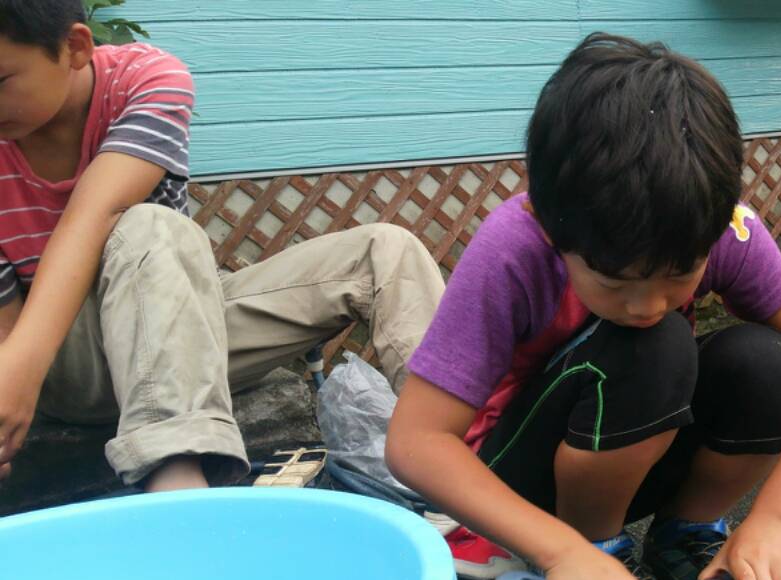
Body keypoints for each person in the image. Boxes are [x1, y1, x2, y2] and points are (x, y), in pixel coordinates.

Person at [389, 28, 781, 580]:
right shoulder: (515, 246)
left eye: (680, 275)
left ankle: (686, 536)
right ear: (558, 233)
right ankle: (593, 553)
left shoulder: (720, 225)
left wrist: (773, 520)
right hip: (517, 480)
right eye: (613, 282)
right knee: (654, 345)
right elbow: (416, 442)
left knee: (771, 364)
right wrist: (561, 551)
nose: (647, 301)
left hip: (622, 441)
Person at [0, 1, 447, 494]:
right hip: (65, 365)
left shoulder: (145, 79)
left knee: (384, 249)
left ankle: (452, 455)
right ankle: (177, 480)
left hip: (172, 331)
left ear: (76, 47)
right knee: (155, 225)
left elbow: (96, 211)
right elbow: (9, 326)